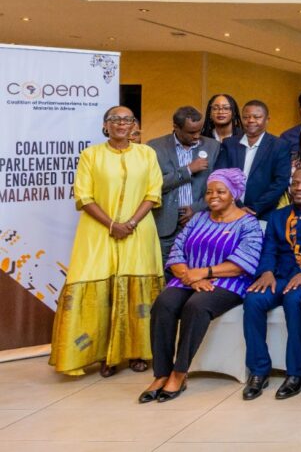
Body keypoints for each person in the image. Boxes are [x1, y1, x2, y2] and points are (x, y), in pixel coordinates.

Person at [50, 106, 165, 377]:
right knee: (99, 287)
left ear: (135, 125)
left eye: (127, 119)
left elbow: (153, 192)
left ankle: (138, 352)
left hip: (139, 231)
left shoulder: (147, 154)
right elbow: (84, 196)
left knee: (139, 290)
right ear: (106, 126)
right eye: (115, 119)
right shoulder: (90, 156)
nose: (121, 124)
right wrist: (112, 225)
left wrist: (131, 223)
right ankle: (104, 355)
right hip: (98, 232)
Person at [140, 168, 262, 403]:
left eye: (220, 191)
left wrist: (204, 273)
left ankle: (179, 372)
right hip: (188, 278)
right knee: (163, 304)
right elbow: (177, 250)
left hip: (229, 283)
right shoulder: (198, 218)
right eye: (209, 192)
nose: (213, 196)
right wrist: (190, 275)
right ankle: (161, 373)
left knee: (196, 307)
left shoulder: (248, 223)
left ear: (234, 193)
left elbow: (242, 263)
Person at [241, 167, 301, 401]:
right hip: (279, 275)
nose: (299, 188)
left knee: (294, 300)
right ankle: (259, 370)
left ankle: (296, 373)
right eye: (295, 183)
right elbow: (269, 249)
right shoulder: (278, 216)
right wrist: (265, 272)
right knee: (253, 300)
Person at [147, 106, 222, 259]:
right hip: (165, 225)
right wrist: (187, 170)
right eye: (191, 132)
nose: (197, 136)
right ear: (175, 127)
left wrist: (196, 208)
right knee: (165, 275)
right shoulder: (154, 147)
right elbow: (152, 185)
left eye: (199, 131)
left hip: (202, 221)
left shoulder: (213, 146)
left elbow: (220, 184)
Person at [213, 100, 292, 223]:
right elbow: (220, 176)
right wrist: (237, 206)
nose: (251, 120)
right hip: (229, 211)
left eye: (257, 117)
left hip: (263, 215)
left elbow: (280, 182)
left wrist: (254, 208)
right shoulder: (229, 144)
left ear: (267, 119)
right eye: (246, 117)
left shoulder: (279, 145)